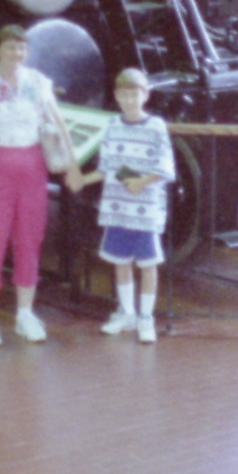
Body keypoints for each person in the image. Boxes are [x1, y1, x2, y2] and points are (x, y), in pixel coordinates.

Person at [0, 25, 76, 347]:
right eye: (10, 47)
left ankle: (25, 313)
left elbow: (59, 123)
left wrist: (73, 164)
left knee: (29, 238)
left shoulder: (38, 83)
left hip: (31, 167)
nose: (17, 53)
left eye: (22, 48)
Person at [69, 68, 175, 344]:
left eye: (134, 94)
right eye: (124, 95)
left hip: (146, 209)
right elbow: (108, 167)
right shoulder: (113, 125)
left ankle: (146, 317)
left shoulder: (156, 126)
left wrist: (143, 182)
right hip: (118, 208)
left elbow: (165, 166)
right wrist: (82, 180)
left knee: (148, 264)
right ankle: (127, 312)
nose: (129, 100)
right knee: (121, 262)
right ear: (117, 96)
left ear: (145, 95)